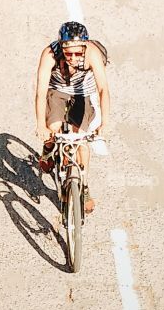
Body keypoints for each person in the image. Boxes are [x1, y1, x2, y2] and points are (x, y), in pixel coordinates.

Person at [34, 20, 110, 212]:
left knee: (81, 139)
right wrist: (40, 125)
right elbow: (41, 92)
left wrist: (104, 123)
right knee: (53, 127)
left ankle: (83, 187)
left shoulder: (92, 53)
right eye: (69, 53)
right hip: (57, 90)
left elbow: (103, 89)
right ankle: (49, 146)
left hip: (82, 93)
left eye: (78, 53)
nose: (74, 58)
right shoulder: (50, 54)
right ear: (61, 48)